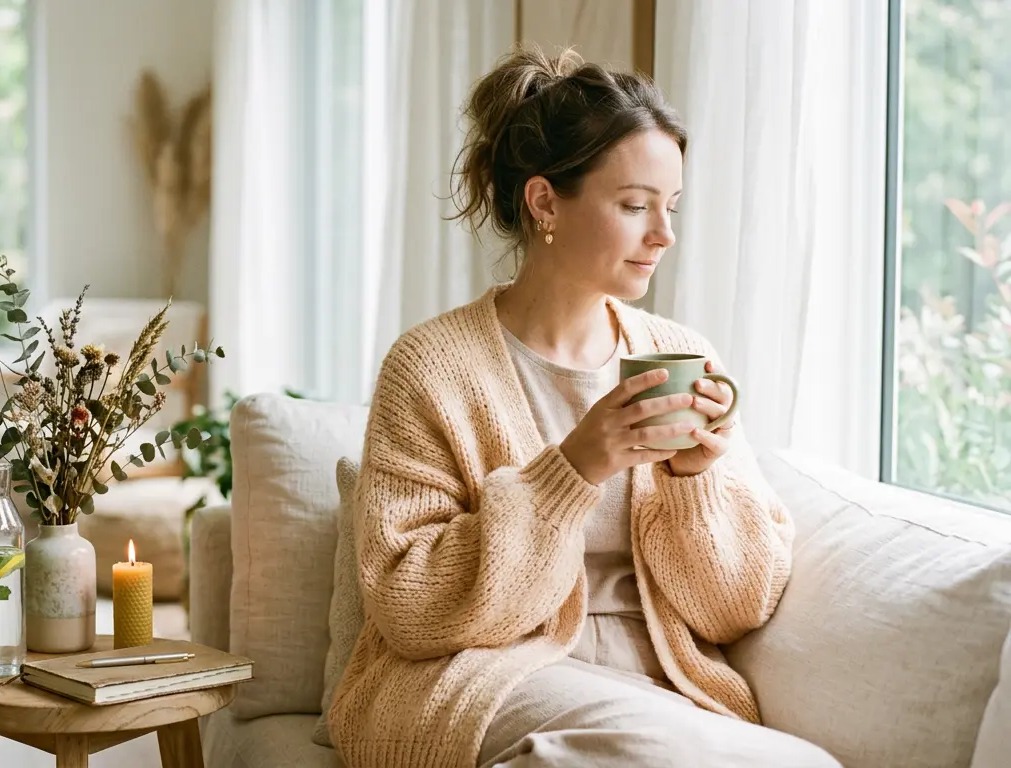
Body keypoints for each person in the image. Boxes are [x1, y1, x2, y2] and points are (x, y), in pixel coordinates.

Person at [325, 45, 839, 768]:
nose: (664, 235)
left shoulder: (683, 354)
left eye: (672, 207)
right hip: (488, 675)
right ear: (544, 203)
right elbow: (409, 606)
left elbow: (736, 608)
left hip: (660, 687)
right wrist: (573, 468)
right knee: (650, 751)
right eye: (635, 206)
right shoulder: (431, 367)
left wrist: (696, 483)